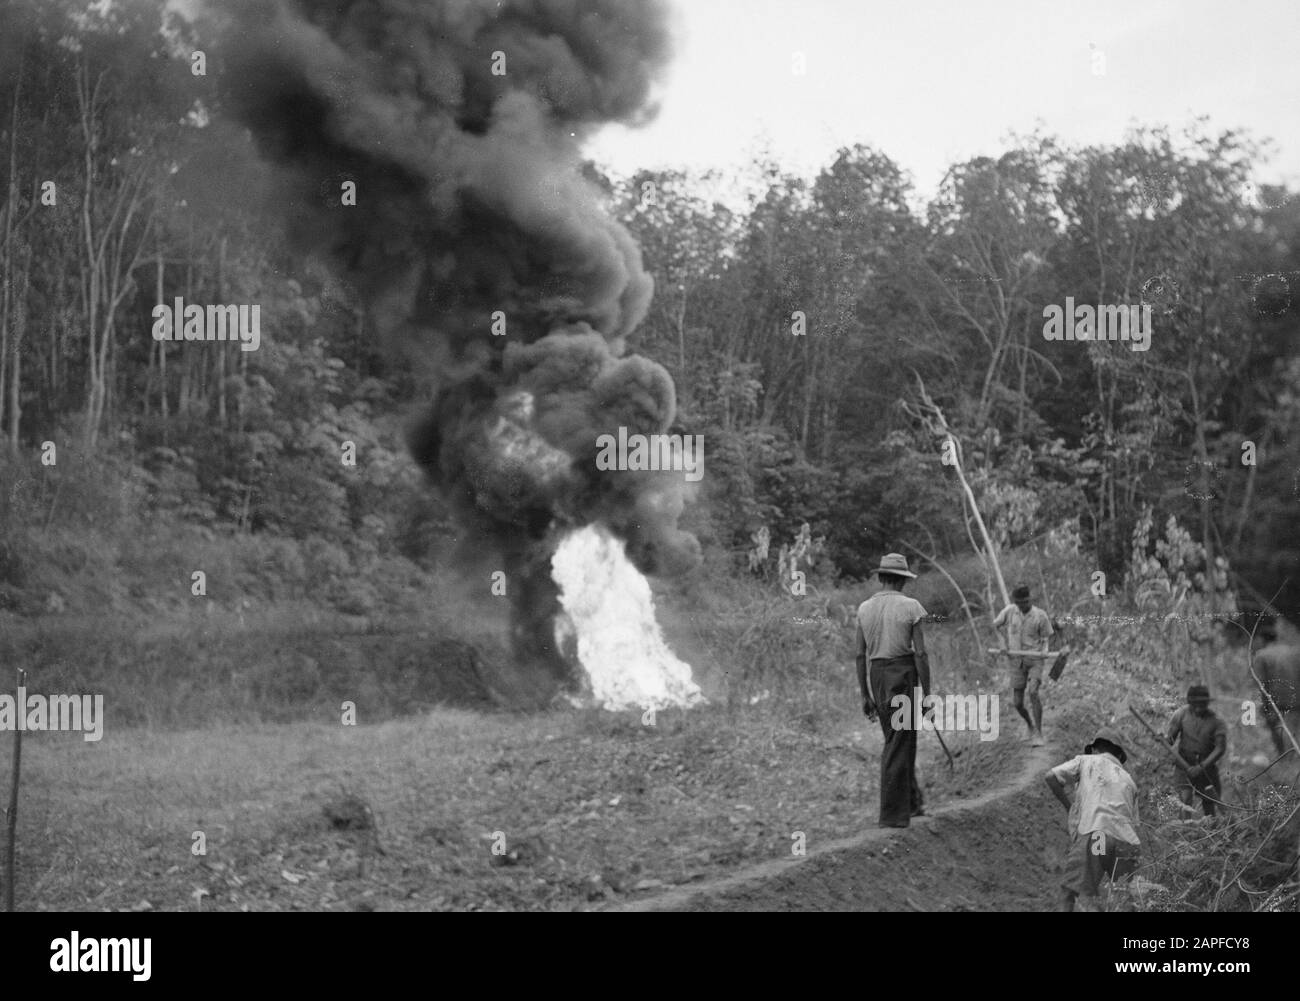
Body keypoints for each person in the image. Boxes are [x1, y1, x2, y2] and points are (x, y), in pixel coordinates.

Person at [855, 553, 930, 828]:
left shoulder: (864, 608)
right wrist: (928, 694)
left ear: (881, 577)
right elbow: (921, 654)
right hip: (902, 674)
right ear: (902, 580)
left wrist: (865, 694)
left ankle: (913, 802)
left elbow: (859, 654)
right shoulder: (911, 606)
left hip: (877, 676)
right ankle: (891, 815)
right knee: (899, 742)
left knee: (897, 739)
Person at [1045, 726, 1141, 912]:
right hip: (1126, 844)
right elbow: (1135, 823)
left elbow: (1051, 777)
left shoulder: (1086, 761)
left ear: (1095, 749)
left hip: (1098, 836)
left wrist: (1070, 807)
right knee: (1124, 900)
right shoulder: (1129, 780)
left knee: (1072, 891)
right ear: (1119, 755)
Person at [992, 584, 1055, 745]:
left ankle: (1039, 734)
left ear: (1030, 599)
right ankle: (1030, 726)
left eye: (1025, 602)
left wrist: (1045, 650)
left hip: (1035, 659)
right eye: (1019, 602)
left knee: (1033, 692)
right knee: (1017, 703)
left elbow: (1046, 637)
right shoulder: (1010, 612)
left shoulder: (1040, 615)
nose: (1023, 605)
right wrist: (1002, 644)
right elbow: (996, 625)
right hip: (1016, 660)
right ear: (1016, 602)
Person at [1165, 685, 1227, 817]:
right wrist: (1162, 739)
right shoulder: (1180, 714)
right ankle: (1187, 833)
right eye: (1196, 703)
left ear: (1207, 703)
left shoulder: (1216, 721)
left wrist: (1201, 767)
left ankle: (1212, 832)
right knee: (1184, 800)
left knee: (1209, 802)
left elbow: (1220, 748)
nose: (1199, 707)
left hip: (1206, 767)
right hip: (1184, 766)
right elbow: (1170, 739)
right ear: (1190, 702)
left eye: (1203, 703)